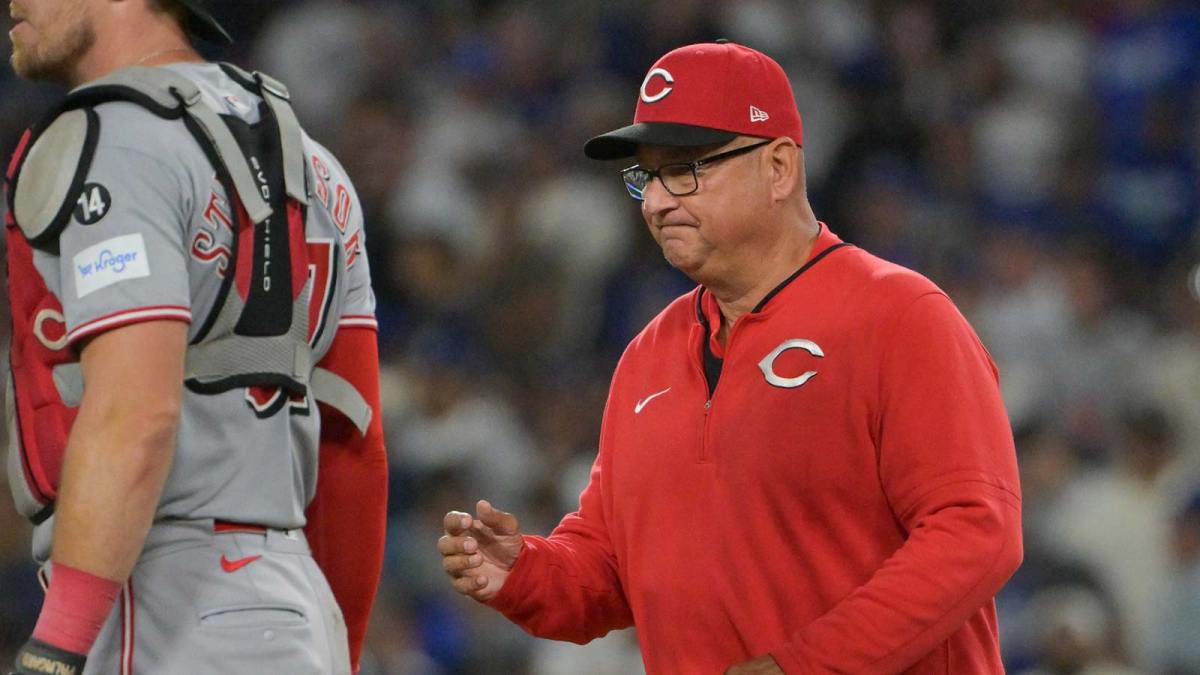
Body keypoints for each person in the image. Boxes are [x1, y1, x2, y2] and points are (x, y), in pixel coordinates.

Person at [438, 41, 1023, 674]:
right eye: (647, 177)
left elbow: (976, 532)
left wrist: (808, 665)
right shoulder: (648, 355)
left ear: (778, 168)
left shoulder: (899, 316)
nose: (658, 202)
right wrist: (526, 573)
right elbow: (612, 564)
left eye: (686, 169)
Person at [4, 1, 387, 673]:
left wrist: (57, 646)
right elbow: (355, 448)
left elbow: (136, 413)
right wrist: (339, 646)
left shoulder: (112, 139)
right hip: (296, 603)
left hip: (160, 593)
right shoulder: (315, 163)